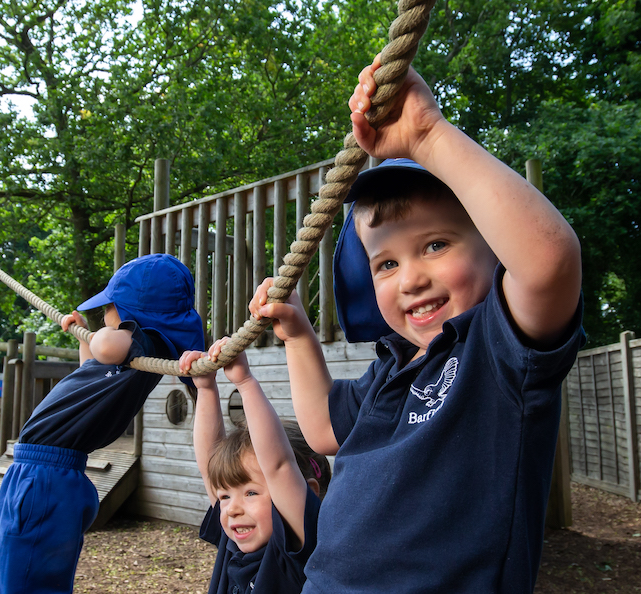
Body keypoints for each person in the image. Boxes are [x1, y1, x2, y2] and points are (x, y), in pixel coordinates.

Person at [249, 55, 586, 592]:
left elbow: (550, 263)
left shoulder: (496, 350)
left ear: (494, 250)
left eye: (435, 245)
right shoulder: (392, 369)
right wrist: (298, 335)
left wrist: (427, 136)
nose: (410, 279)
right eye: (386, 264)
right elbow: (322, 428)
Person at [0, 253, 205, 594]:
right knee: (11, 570)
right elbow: (93, 369)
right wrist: (84, 337)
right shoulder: (132, 350)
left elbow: (106, 344)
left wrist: (98, 335)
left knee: (23, 578)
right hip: (40, 469)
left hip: (45, 474)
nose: (103, 316)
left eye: (108, 307)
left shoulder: (144, 340)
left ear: (131, 313)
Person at [182, 339, 328, 594]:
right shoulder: (234, 542)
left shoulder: (300, 551)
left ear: (309, 491)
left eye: (250, 492)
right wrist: (205, 389)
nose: (232, 509)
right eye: (225, 496)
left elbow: (279, 466)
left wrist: (245, 383)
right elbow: (210, 467)